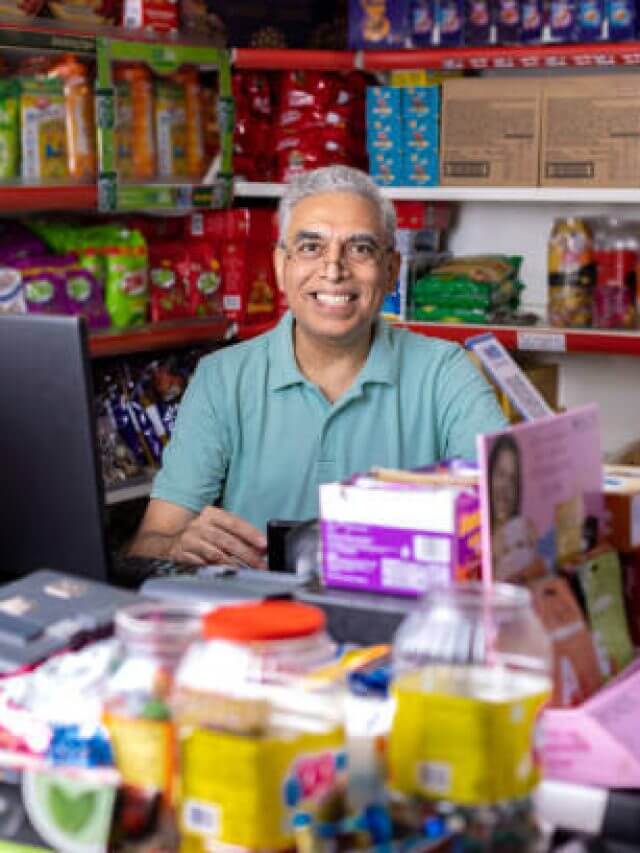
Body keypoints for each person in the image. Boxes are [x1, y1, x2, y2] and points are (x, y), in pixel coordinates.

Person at [130, 165, 507, 568]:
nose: (333, 269)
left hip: (399, 604)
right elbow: (149, 543)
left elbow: (509, 522)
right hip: (261, 606)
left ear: (391, 271)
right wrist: (177, 547)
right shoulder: (222, 379)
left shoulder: (446, 372)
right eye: (311, 247)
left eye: (360, 249)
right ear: (280, 266)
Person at [488, 433, 545, 582]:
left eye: (512, 479)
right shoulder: (473, 533)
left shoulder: (525, 532)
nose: (505, 486)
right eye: (500, 474)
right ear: (489, 477)